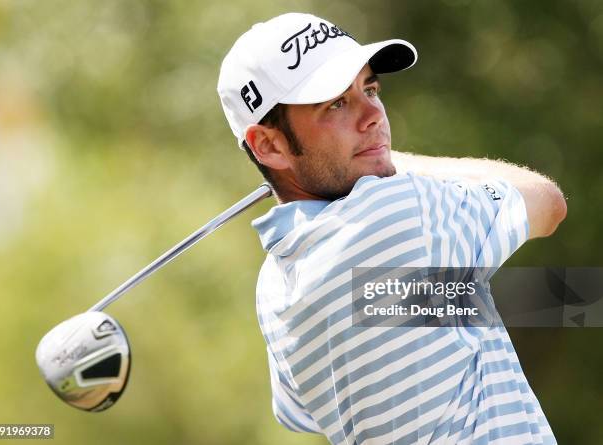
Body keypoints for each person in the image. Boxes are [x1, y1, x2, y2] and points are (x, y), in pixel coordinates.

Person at [218, 12, 566, 445]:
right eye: (336, 104)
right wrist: (390, 158)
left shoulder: (273, 289)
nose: (374, 117)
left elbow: (296, 414)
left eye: (370, 88)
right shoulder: (396, 210)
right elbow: (546, 202)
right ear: (268, 145)